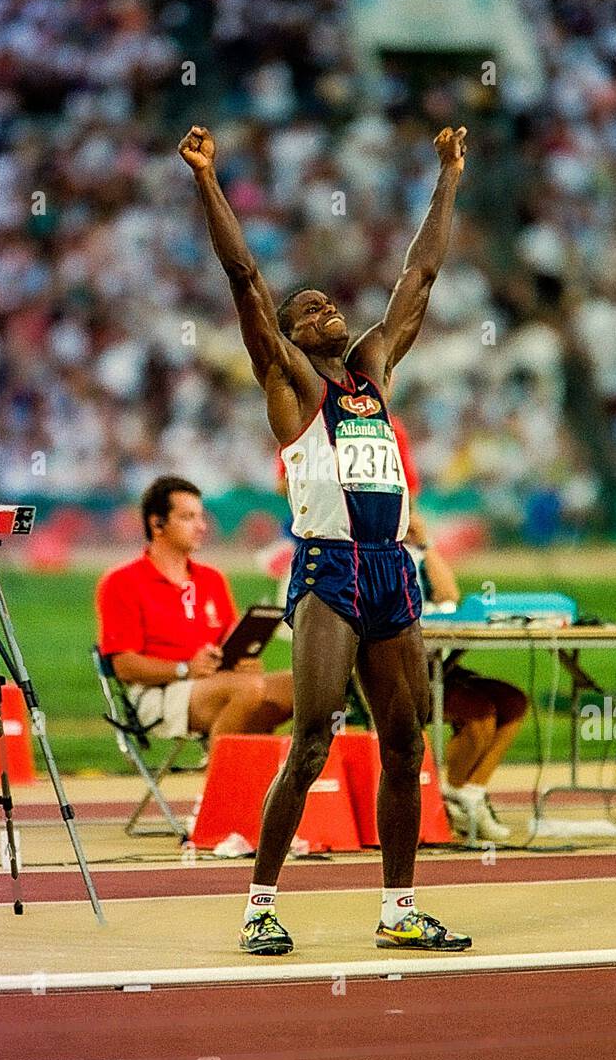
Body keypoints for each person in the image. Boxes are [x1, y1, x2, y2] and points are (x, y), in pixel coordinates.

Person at [179, 120, 472, 955]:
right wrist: (207, 177)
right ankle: (261, 905)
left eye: (327, 301)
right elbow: (244, 276)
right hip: (329, 569)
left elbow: (421, 273)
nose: (323, 308)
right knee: (311, 741)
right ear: (290, 338)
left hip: (391, 569)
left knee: (407, 737)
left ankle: (399, 909)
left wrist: (447, 172)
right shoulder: (291, 385)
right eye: (305, 310)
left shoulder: (374, 369)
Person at [95, 476, 293, 747]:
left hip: (219, 683)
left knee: (305, 689)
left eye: (201, 517)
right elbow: (125, 667)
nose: (201, 527)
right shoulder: (122, 581)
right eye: (188, 517)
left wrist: (244, 661)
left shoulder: (212, 578)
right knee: (248, 688)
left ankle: (270, 777)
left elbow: (230, 643)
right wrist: (184, 669)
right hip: (158, 693)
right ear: (157, 523)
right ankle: (220, 785)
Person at [403, 509, 528, 841]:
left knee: (512, 701)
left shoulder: (417, 553)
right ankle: (451, 798)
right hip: (400, 672)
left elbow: (449, 595)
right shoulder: (377, 554)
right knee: (480, 712)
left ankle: (467, 793)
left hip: (437, 663)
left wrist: (426, 543)